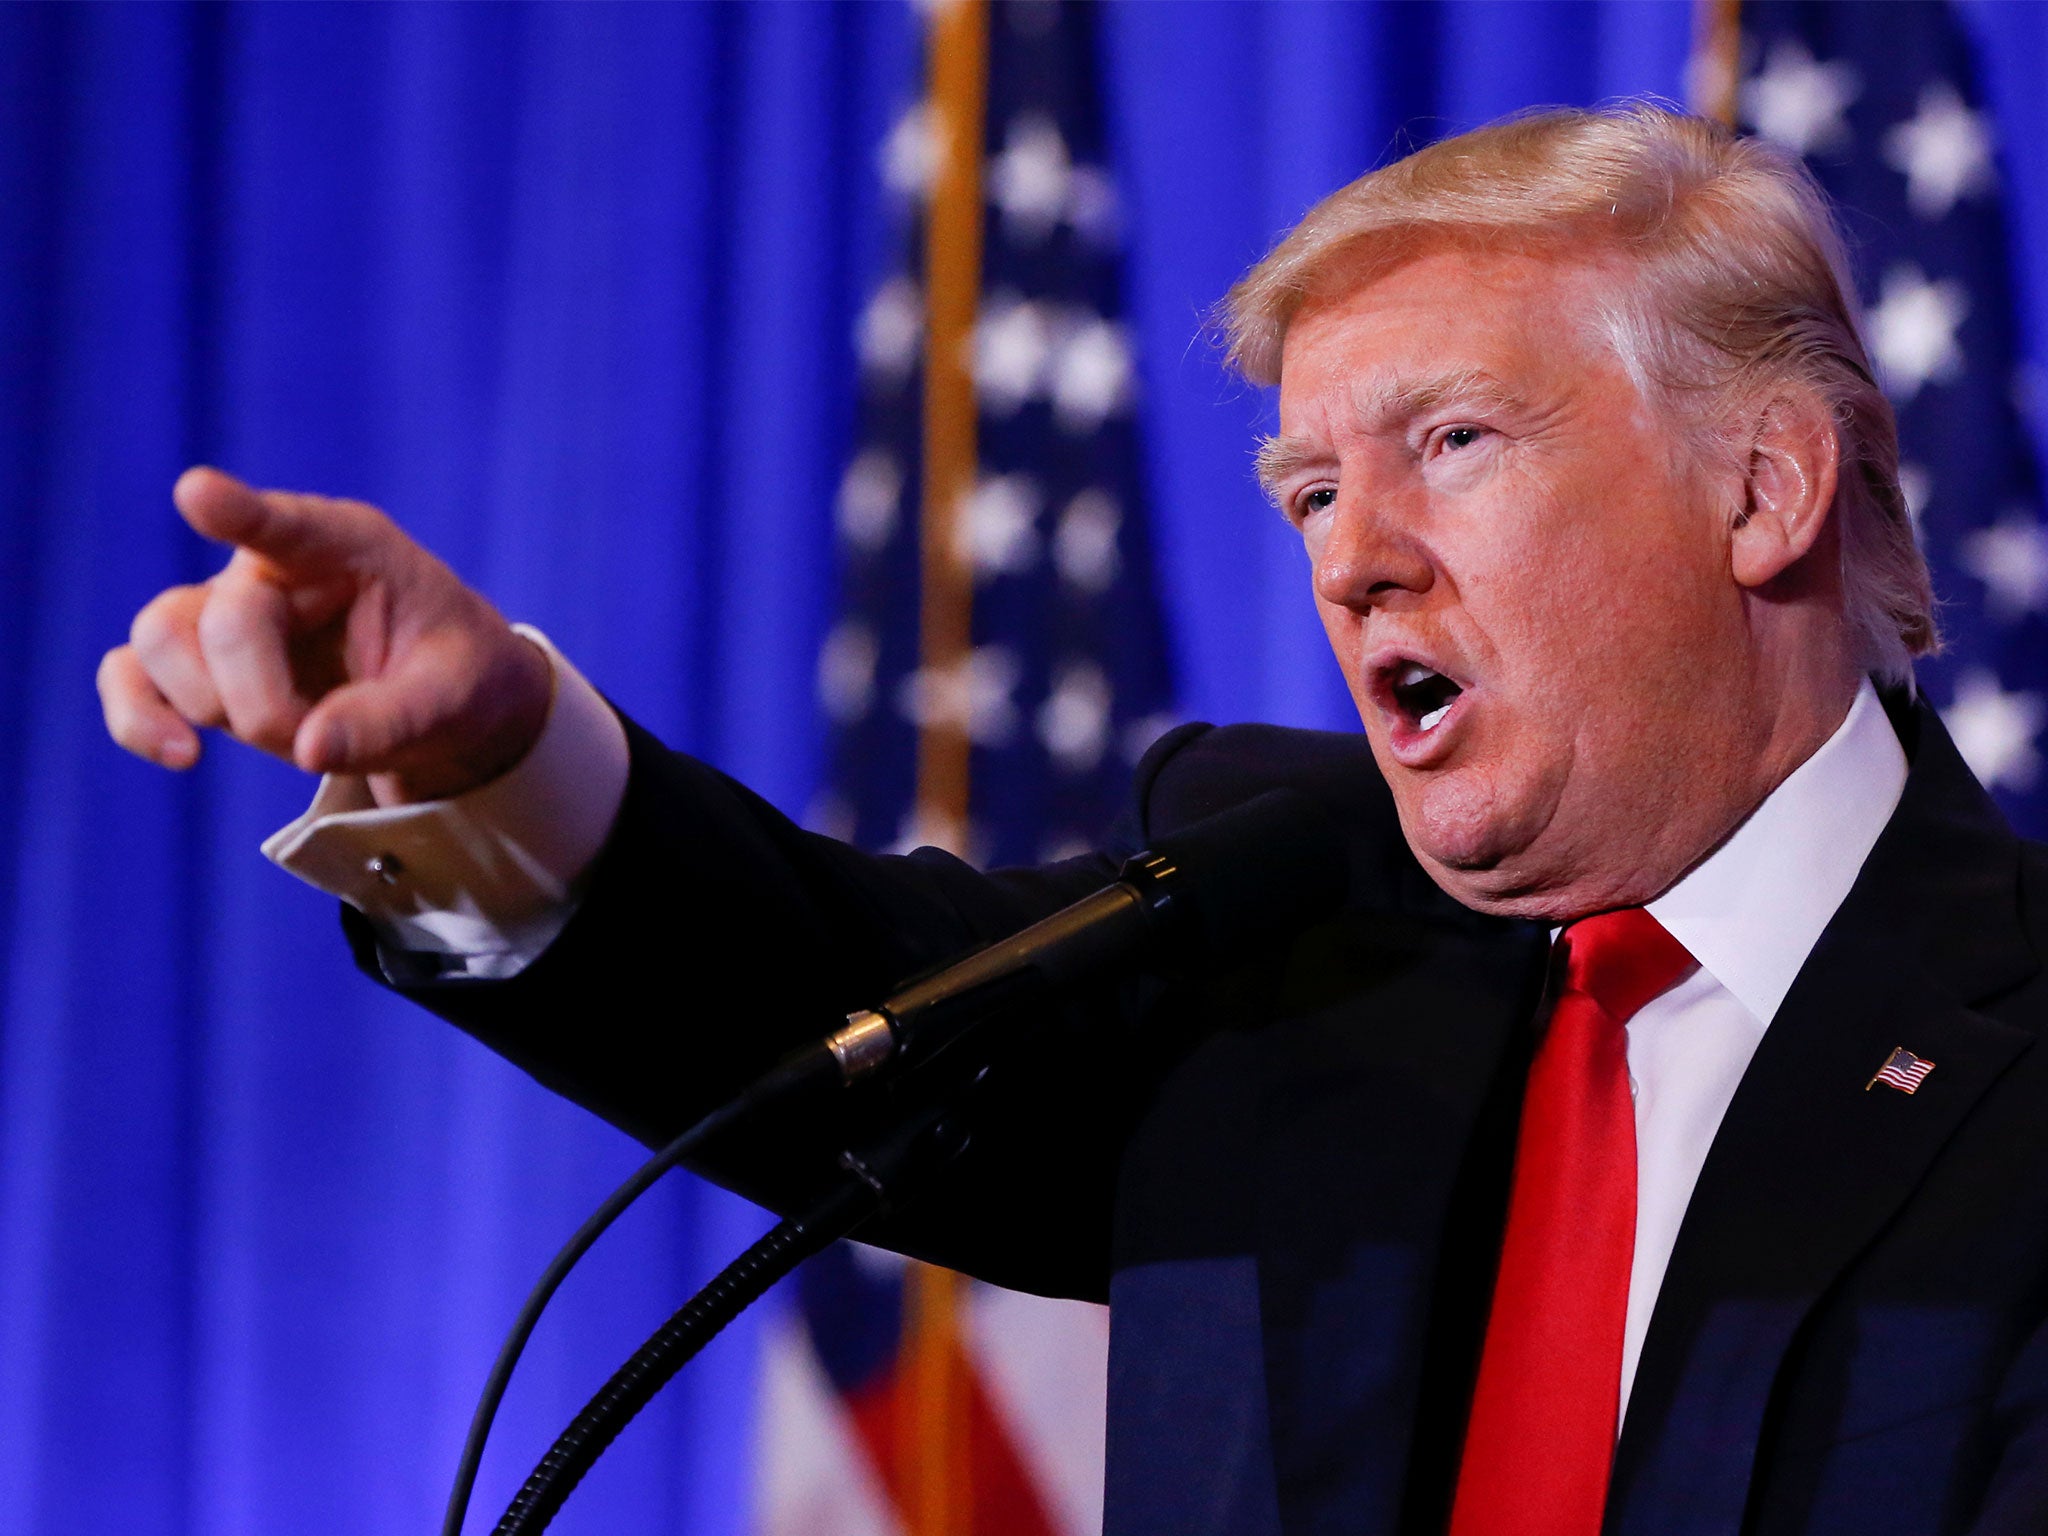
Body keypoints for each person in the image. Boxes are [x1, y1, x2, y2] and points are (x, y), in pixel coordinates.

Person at [97, 105, 2048, 1535]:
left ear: (1764, 492)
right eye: (1305, 495)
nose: (1353, 559)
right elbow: (826, 1003)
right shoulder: (1278, 935)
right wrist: (489, 752)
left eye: (1450, 444)